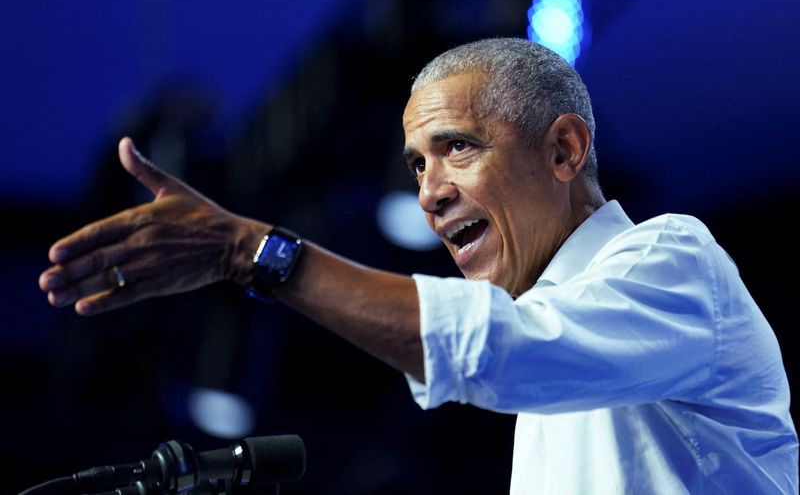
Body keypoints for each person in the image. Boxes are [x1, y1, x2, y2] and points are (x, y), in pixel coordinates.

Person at [39, 38, 797, 493]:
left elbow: (498, 347)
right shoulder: (557, 353)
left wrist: (252, 251)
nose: (429, 193)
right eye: (414, 164)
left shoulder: (673, 260)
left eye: (458, 147)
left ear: (564, 150)